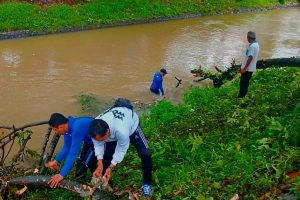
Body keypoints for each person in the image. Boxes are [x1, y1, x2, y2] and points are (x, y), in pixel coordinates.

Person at [88, 107, 152, 197]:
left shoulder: (121, 131)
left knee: (146, 154)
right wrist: (100, 162)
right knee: (106, 156)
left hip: (131, 125)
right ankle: (105, 182)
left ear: (107, 132)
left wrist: (111, 166)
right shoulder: (95, 130)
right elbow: (98, 145)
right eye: (98, 140)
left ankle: (147, 183)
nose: (101, 141)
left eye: (102, 139)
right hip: (112, 131)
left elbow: (121, 149)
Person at [45, 113, 97, 187]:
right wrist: (56, 161)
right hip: (89, 141)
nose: (56, 133)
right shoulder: (67, 128)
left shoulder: (76, 128)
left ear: (61, 127)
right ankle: (81, 184)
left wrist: (61, 174)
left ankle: (99, 182)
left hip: (99, 142)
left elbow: (73, 153)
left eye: (55, 130)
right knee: (82, 160)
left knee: (87, 162)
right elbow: (66, 147)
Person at [238, 31, 260, 98]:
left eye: (247, 37)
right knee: (246, 82)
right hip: (250, 68)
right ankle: (243, 96)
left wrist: (244, 69)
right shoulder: (256, 44)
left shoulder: (252, 46)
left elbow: (250, 58)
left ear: (249, 37)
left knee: (243, 83)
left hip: (247, 69)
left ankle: (240, 97)